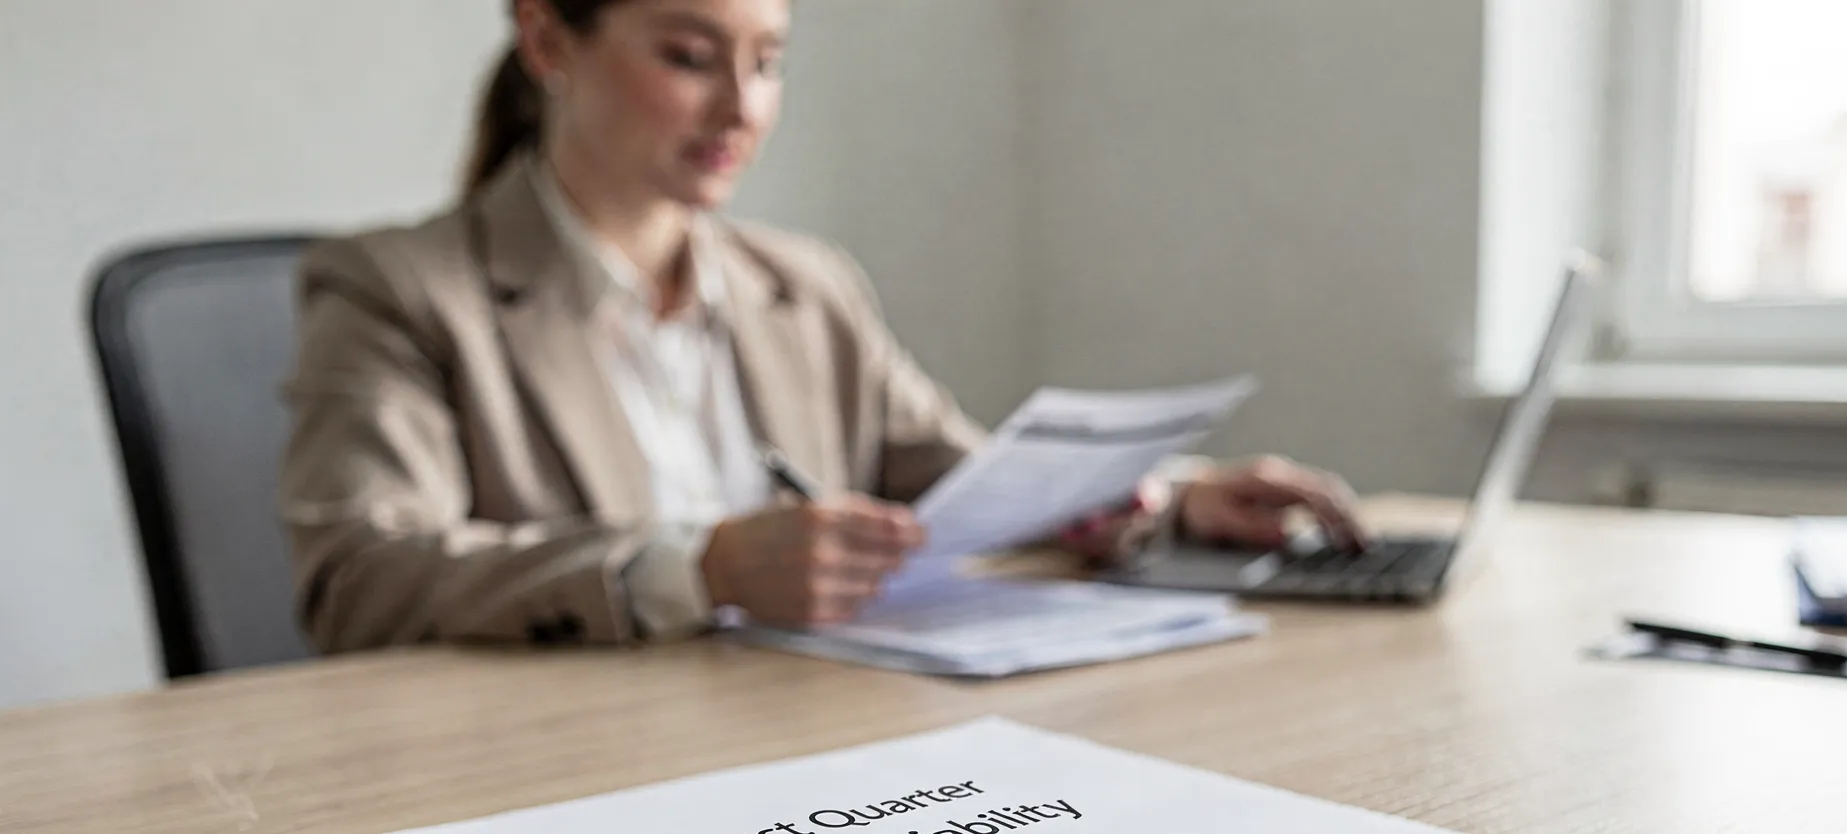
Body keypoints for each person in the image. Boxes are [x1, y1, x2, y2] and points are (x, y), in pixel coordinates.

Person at [280, 0, 1365, 654]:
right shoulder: (400, 289)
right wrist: (695, 569)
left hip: (808, 767)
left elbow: (967, 484)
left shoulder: (807, 289)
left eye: (768, 61)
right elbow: (363, 578)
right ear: (546, 39)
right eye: (691, 57)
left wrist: (1169, 496)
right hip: (553, 794)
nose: (742, 110)